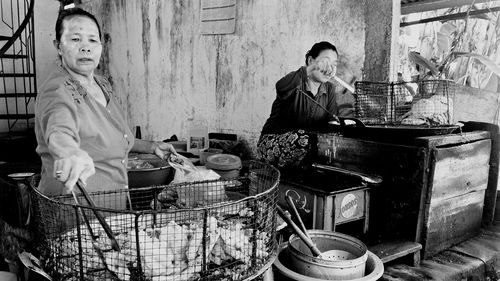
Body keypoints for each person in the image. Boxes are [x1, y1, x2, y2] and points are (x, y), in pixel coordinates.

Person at [34, 8, 176, 203]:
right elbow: (59, 126)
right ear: (58, 46)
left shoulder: (102, 84)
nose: (85, 47)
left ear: (101, 46)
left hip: (111, 208)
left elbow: (113, 137)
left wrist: (151, 147)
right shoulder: (56, 89)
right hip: (74, 211)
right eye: (75, 39)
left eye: (92, 40)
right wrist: (68, 152)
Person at [257, 41, 353, 168]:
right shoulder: (295, 81)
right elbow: (280, 86)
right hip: (272, 145)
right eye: (325, 61)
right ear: (310, 60)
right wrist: (312, 68)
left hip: (307, 148)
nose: (329, 68)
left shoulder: (329, 89)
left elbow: (331, 122)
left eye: (333, 64)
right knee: (303, 137)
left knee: (334, 140)